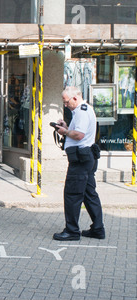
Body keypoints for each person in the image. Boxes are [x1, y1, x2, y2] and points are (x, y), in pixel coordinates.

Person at [53, 86, 105, 241]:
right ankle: (98, 229)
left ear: (75, 98)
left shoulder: (81, 112)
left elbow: (79, 135)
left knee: (72, 195)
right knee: (89, 195)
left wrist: (65, 132)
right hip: (86, 157)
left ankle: (72, 231)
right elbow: (78, 132)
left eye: (66, 102)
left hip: (80, 159)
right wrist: (66, 128)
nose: (66, 105)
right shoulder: (84, 110)